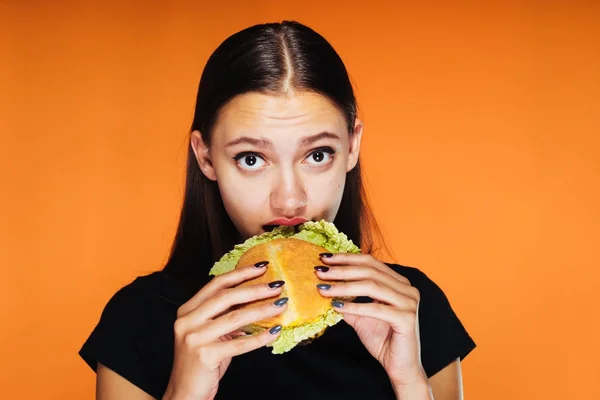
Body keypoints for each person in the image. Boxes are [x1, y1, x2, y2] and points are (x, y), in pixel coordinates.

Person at [79, 20, 476, 399]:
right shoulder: (139, 318)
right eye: (251, 158)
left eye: (317, 154)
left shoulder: (413, 307)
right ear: (206, 158)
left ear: (352, 146)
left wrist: (411, 384)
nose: (289, 201)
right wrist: (185, 395)